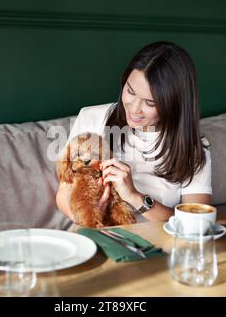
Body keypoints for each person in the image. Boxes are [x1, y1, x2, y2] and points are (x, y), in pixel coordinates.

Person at [55, 41, 211, 225]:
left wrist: (134, 197)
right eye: (130, 91)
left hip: (158, 245)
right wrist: (89, 216)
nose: (134, 109)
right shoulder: (92, 117)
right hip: (96, 235)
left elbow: (198, 222)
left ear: (174, 105)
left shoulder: (191, 148)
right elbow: (64, 192)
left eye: (150, 103)